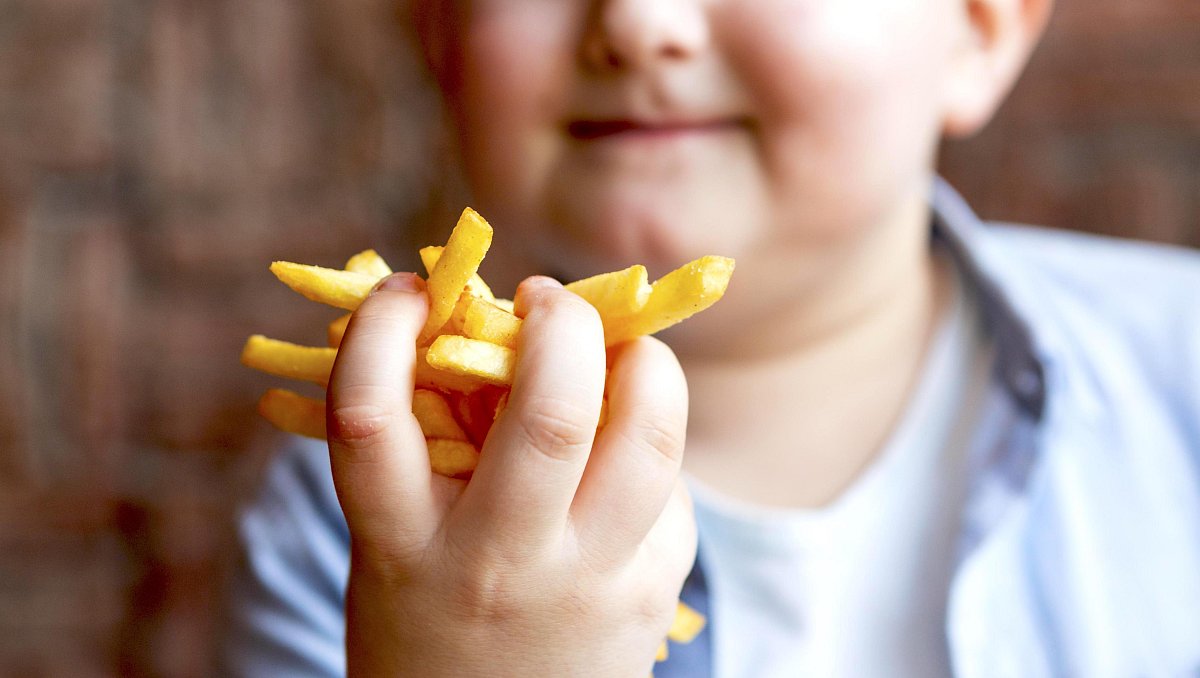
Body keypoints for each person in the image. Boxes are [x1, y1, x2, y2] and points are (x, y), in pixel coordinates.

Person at [221, 0, 1200, 675]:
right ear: (440, 34)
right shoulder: (355, 511)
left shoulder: (1179, 372)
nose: (638, 24)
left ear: (977, 31)